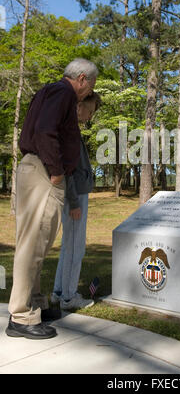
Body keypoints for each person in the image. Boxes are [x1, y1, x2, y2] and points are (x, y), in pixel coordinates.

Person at [6, 58, 98, 340]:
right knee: (32, 246)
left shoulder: (49, 91)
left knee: (35, 246)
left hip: (35, 170)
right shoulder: (64, 93)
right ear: (82, 78)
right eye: (90, 85)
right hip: (44, 173)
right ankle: (21, 316)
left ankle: (34, 305)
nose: (88, 92)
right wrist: (57, 172)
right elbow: (46, 131)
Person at [51, 92, 101, 310]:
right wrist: (73, 202)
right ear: (79, 106)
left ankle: (59, 291)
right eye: (89, 111)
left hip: (76, 193)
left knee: (68, 245)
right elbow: (68, 169)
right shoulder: (69, 129)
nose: (90, 117)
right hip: (75, 195)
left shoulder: (70, 127)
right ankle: (69, 297)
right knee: (75, 247)